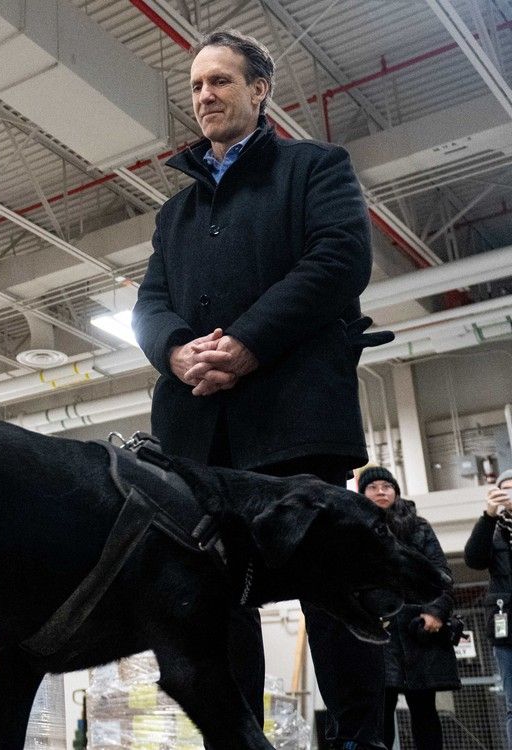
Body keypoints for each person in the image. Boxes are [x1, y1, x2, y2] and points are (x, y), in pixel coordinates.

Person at [132, 28, 390, 750]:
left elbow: (340, 259)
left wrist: (245, 345)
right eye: (195, 86)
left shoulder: (315, 168)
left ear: (259, 89)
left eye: (220, 81)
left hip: (294, 419)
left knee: (331, 594)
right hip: (197, 438)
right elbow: (149, 304)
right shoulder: (174, 213)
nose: (205, 95)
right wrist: (179, 352)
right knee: (216, 606)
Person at [357, 466, 460, 750]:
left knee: (425, 711)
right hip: (377, 634)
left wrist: (435, 611)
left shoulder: (419, 527)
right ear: (362, 494)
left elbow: (442, 574)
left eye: (386, 486)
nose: (381, 491)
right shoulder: (354, 530)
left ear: (396, 492)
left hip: (419, 632)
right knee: (380, 714)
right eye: (373, 486)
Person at [464, 468, 512, 748]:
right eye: (504, 488)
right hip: (506, 627)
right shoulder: (493, 530)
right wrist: (488, 515)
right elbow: (474, 559)